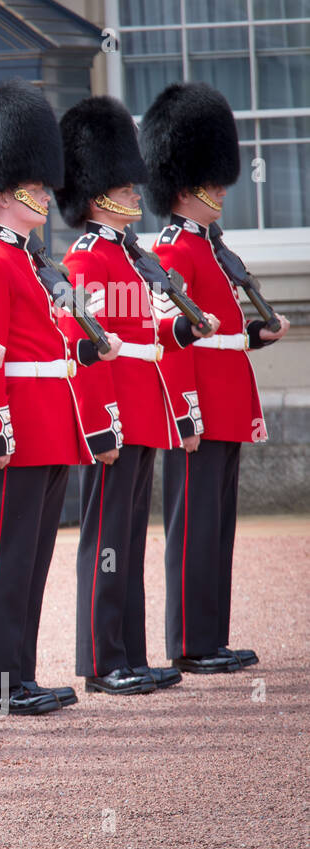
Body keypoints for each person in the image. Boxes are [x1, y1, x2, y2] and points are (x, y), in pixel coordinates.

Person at [0, 78, 120, 716]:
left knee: (33, 554)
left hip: (49, 424)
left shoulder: (31, 261)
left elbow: (43, 347)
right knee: (6, 555)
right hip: (15, 427)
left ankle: (17, 674)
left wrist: (86, 350)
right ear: (4, 192)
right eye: (36, 186)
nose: (48, 196)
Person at [55, 95, 221, 695]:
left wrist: (184, 327)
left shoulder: (131, 258)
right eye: (124, 189)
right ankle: (103, 660)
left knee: (128, 538)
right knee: (105, 540)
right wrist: (102, 426)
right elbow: (90, 348)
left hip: (144, 407)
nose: (134, 196)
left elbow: (145, 333)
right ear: (98, 195)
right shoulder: (84, 261)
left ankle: (131, 651)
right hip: (116, 416)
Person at [140, 83, 287, 674]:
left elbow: (214, 334)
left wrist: (254, 335)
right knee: (194, 526)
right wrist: (186, 416)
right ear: (185, 185)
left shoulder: (208, 246)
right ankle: (189, 642)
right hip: (201, 407)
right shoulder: (174, 252)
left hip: (226, 398)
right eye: (213, 180)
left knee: (217, 526)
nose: (222, 190)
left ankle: (212, 636)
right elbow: (171, 344)